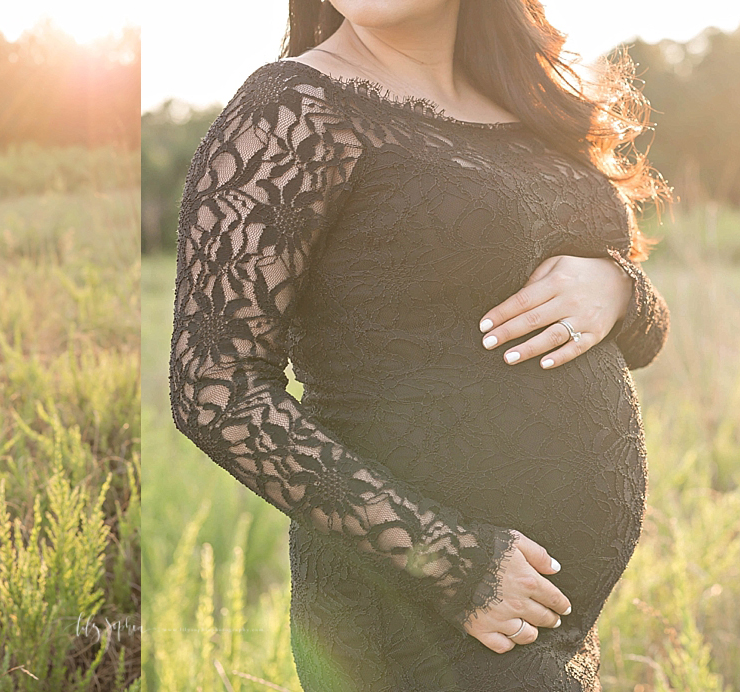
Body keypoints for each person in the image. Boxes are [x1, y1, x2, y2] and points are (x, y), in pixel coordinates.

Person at [170, 0, 671, 688]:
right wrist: (454, 562)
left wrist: (619, 290)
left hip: (538, 616)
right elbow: (214, 390)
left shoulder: (532, 108)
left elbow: (641, 338)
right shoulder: (290, 108)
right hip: (416, 610)